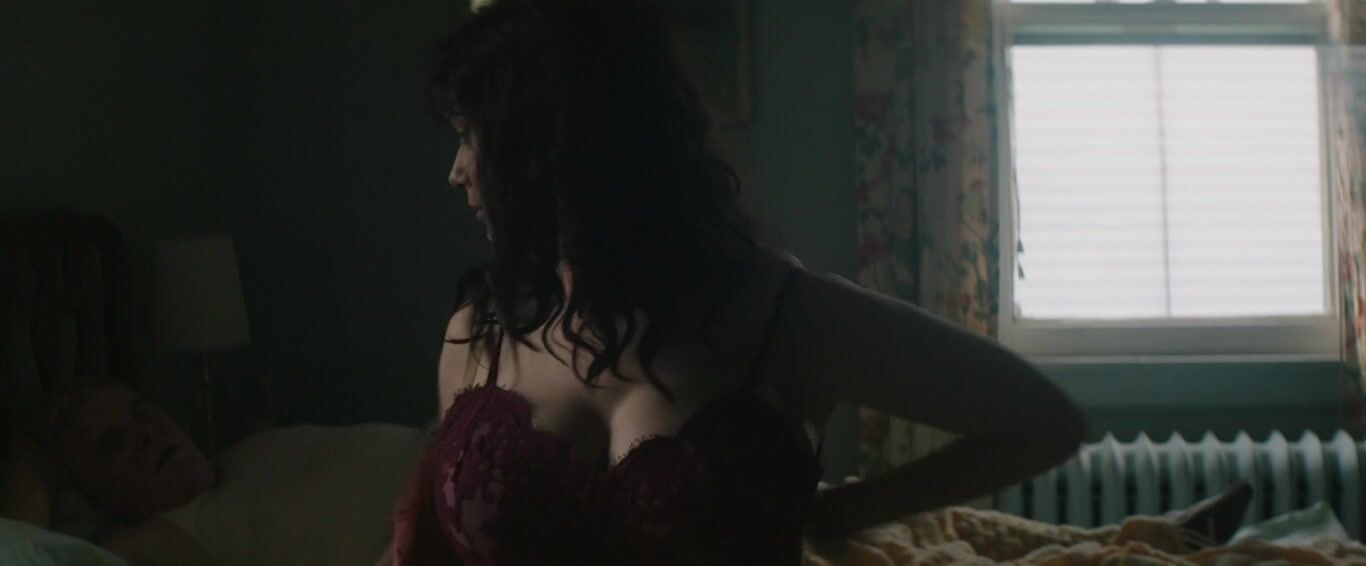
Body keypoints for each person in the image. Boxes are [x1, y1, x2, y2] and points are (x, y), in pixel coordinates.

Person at [389, 0, 1093, 564]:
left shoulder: (784, 317)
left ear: (551, 146)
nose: (456, 171)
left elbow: (1043, 421)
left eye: (470, 135)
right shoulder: (477, 336)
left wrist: (844, 510)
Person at [24, 376, 425, 566]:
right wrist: (33, 472)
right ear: (94, 498)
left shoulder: (246, 450)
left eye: (142, 414)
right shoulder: (162, 539)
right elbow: (26, 552)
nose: (146, 434)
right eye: (116, 444)